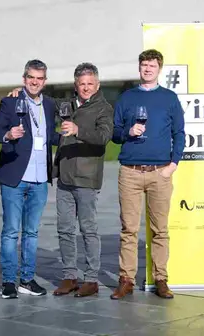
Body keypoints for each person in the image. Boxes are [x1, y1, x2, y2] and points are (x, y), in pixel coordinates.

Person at [110, 49, 185, 300]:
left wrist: (173, 164)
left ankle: (161, 279)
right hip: (130, 172)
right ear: (139, 68)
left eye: (152, 65)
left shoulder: (169, 98)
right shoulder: (126, 98)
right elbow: (115, 132)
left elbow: (179, 133)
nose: (147, 69)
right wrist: (127, 132)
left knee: (160, 230)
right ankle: (126, 279)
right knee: (128, 229)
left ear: (159, 68)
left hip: (159, 173)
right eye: (144, 65)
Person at [0, 59, 59, 299]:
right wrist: (7, 134)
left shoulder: (50, 105)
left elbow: (51, 135)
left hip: (40, 179)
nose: (35, 82)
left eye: (40, 78)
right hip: (15, 177)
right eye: (31, 77)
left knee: (31, 232)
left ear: (45, 81)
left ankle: (27, 280)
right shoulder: (10, 102)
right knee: (10, 231)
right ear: (24, 78)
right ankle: (9, 281)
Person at [52, 63, 114, 298]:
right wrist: (19, 91)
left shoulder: (104, 108)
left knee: (88, 229)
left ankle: (91, 279)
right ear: (75, 86)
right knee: (65, 229)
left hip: (86, 178)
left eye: (90, 84)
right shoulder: (68, 104)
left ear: (97, 85)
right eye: (81, 84)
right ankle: (69, 276)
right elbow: (46, 102)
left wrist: (78, 130)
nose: (86, 88)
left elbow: (103, 137)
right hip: (65, 176)